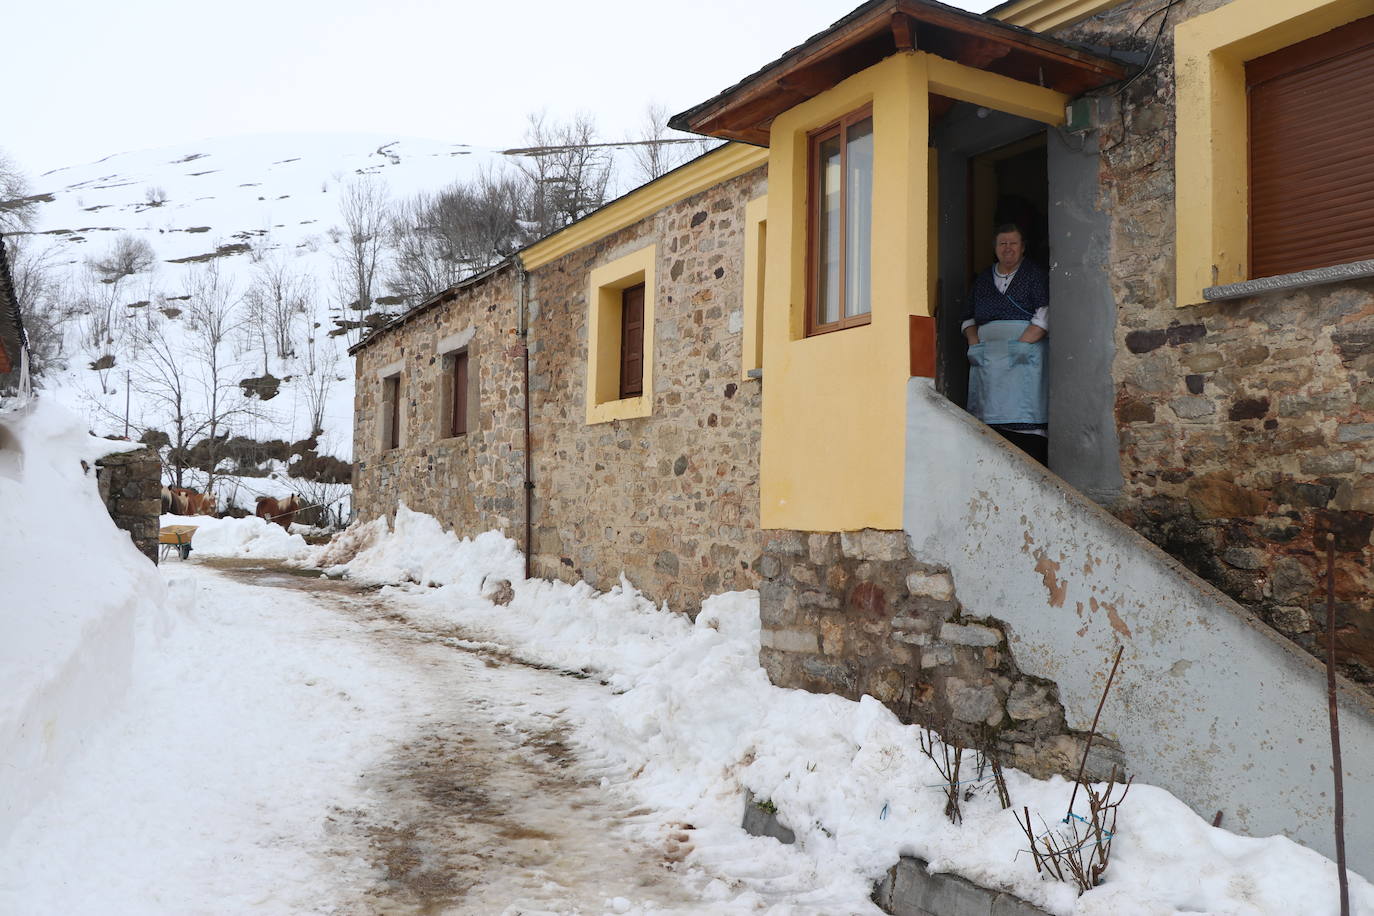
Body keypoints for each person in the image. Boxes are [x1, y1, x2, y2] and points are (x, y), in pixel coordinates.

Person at [961, 223, 1049, 465]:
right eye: (1002, 243)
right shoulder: (982, 280)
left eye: (1013, 243)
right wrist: (974, 344)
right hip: (988, 360)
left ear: (1023, 248)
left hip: (1024, 356)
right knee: (988, 422)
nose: (1008, 248)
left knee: (1024, 414)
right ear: (995, 248)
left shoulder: (1034, 274)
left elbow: (1045, 312)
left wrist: (1020, 345)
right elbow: (968, 317)